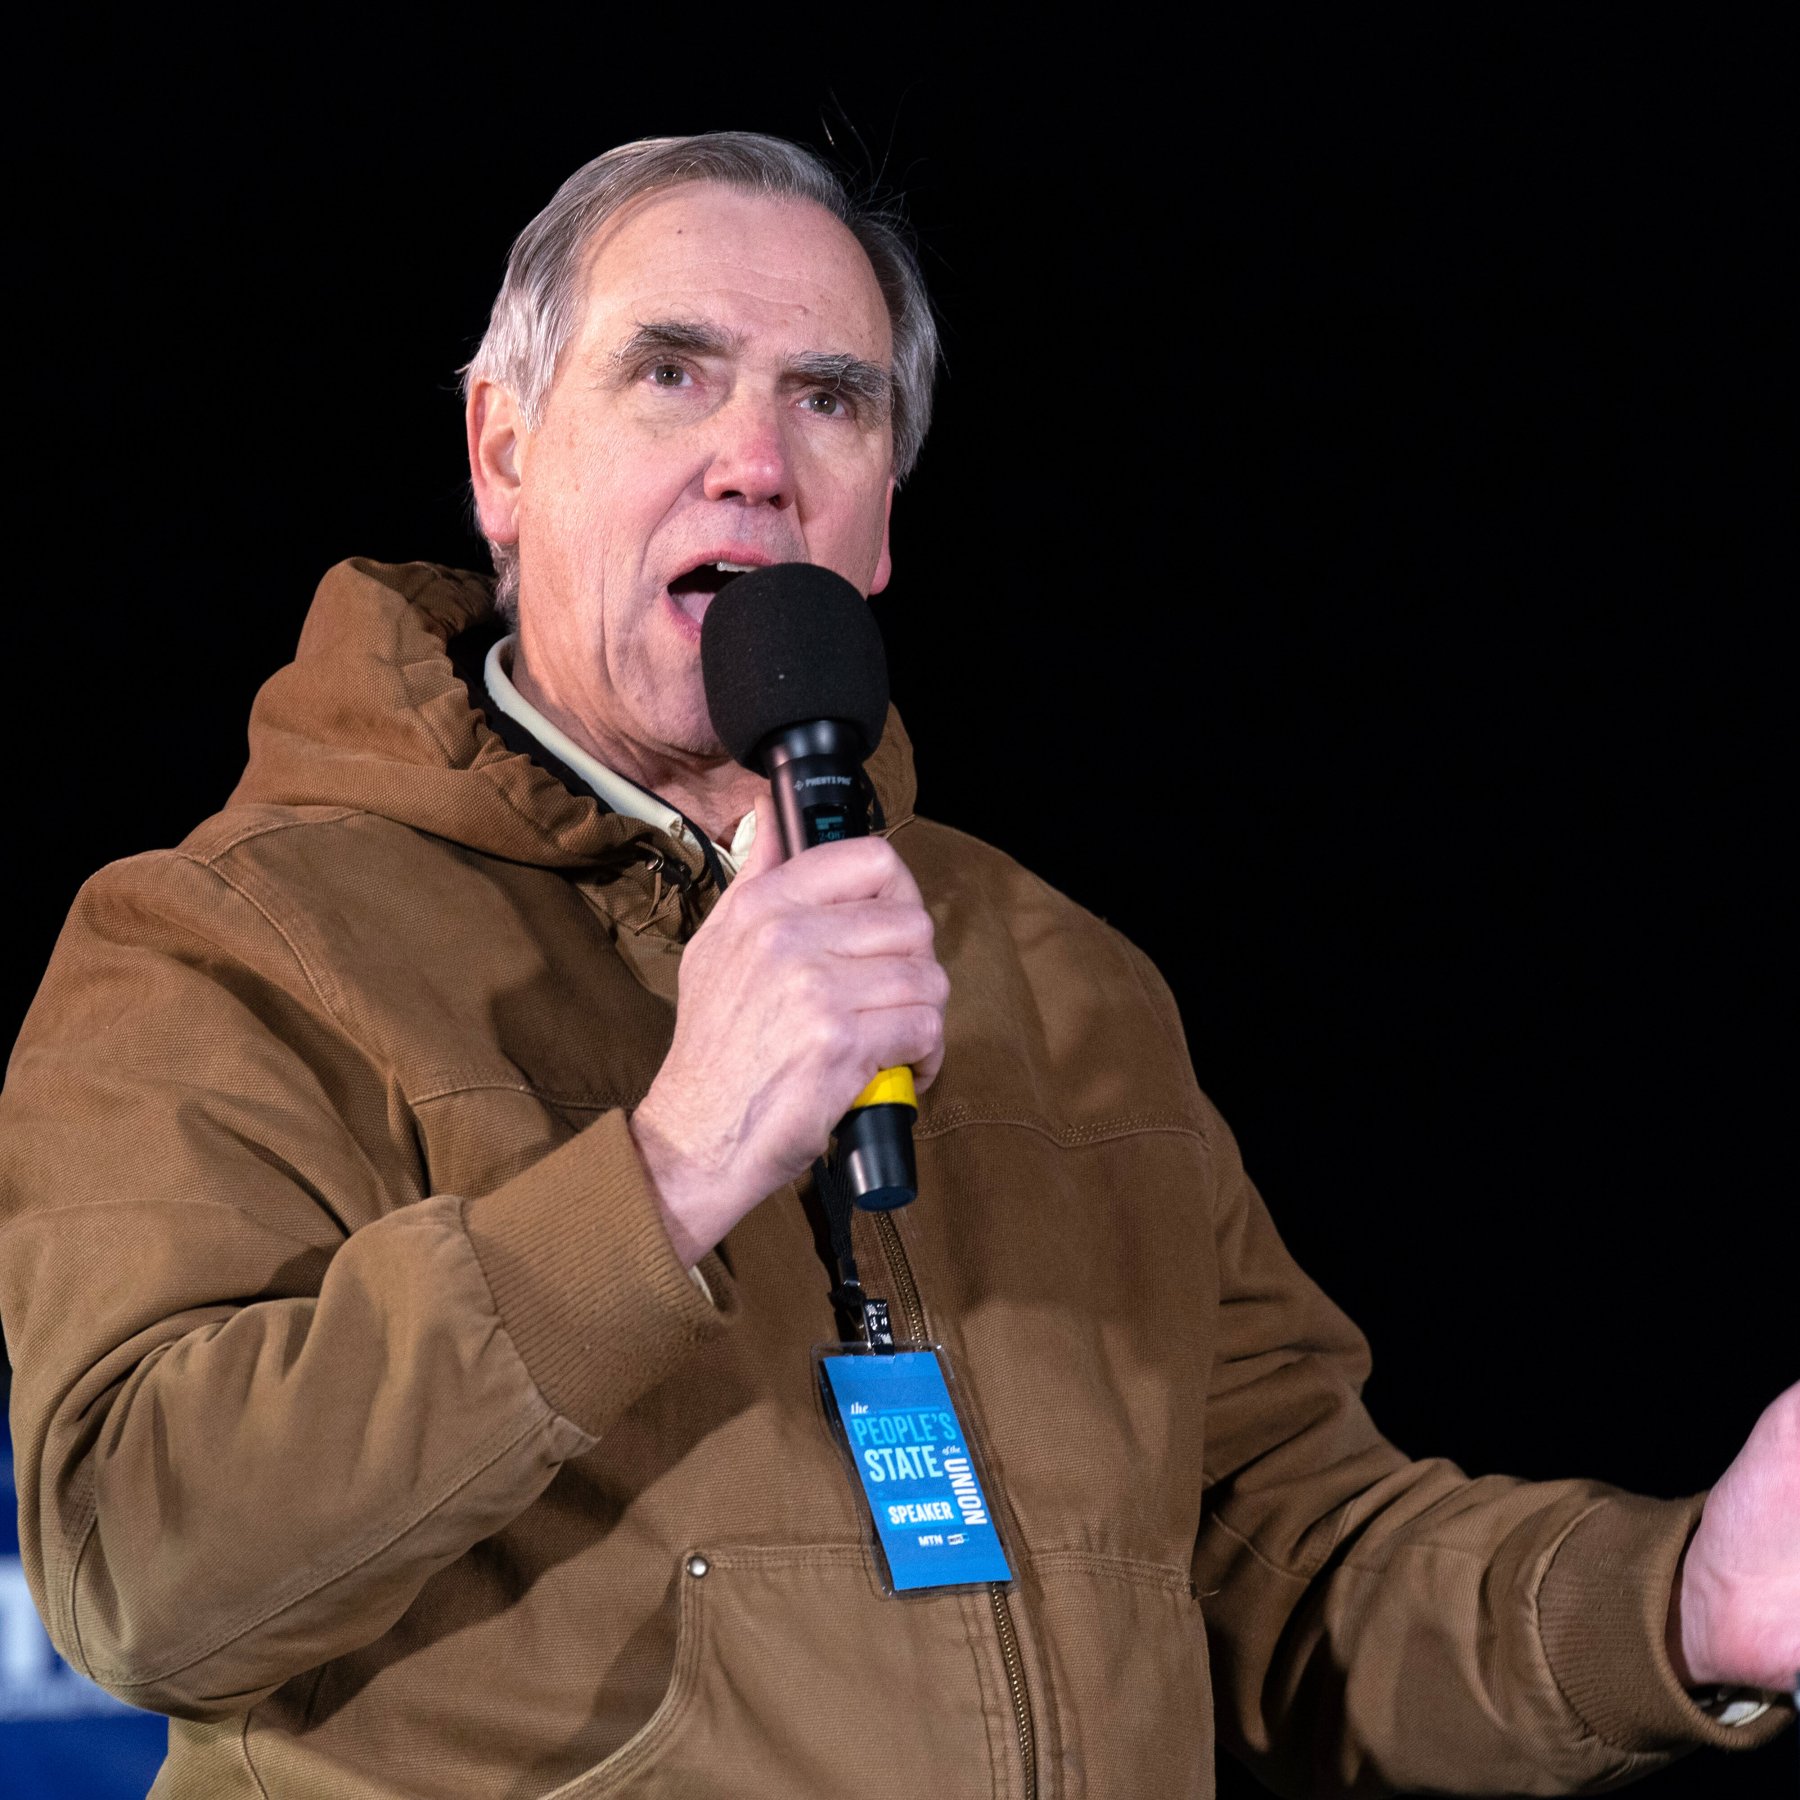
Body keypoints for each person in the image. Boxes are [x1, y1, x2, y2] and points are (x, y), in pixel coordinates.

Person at [0, 131, 1791, 1799]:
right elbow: (145, 1570)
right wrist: (670, 1170)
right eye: (671, 371)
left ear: (878, 522)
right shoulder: (222, 942)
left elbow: (1293, 1561)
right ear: (503, 453)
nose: (756, 459)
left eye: (831, 399)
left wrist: (1685, 1605)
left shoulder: (1063, 982)